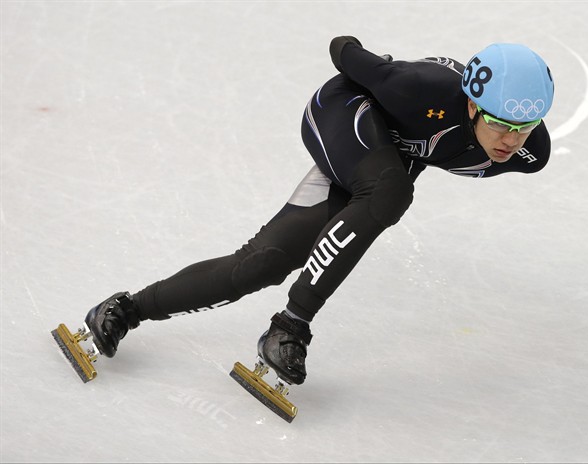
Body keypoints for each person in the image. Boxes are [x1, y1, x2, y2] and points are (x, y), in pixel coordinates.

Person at [82, 36, 555, 387]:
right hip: (347, 110)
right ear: (472, 103)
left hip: (387, 160)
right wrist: (378, 61)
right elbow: (342, 48)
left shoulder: (528, 154)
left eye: (524, 126)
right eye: (499, 123)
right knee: (391, 193)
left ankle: (125, 309)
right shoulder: (418, 88)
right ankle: (291, 325)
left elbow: (458, 147)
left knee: (261, 264)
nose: (511, 141)